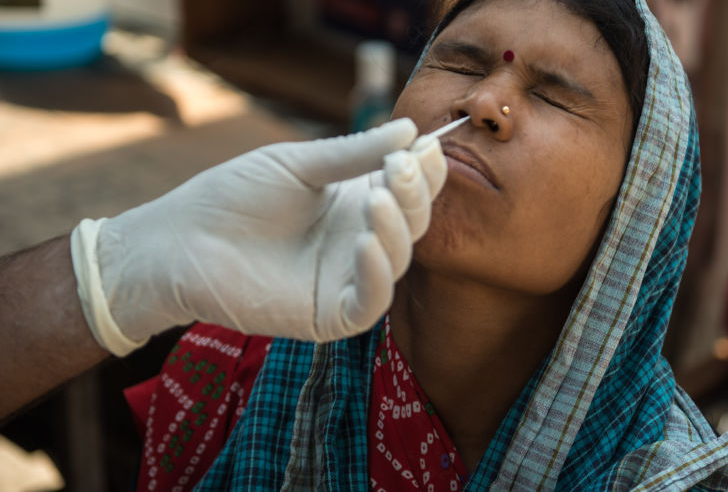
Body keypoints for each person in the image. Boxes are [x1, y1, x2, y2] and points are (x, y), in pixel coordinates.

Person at [126, 0, 728, 491]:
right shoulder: (232, 368)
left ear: (636, 222)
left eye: (553, 95)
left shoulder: (671, 479)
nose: (486, 100)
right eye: (460, 62)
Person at [0, 118, 447, 419]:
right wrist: (116, 269)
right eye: (463, 66)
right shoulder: (219, 377)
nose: (488, 106)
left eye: (523, 95)